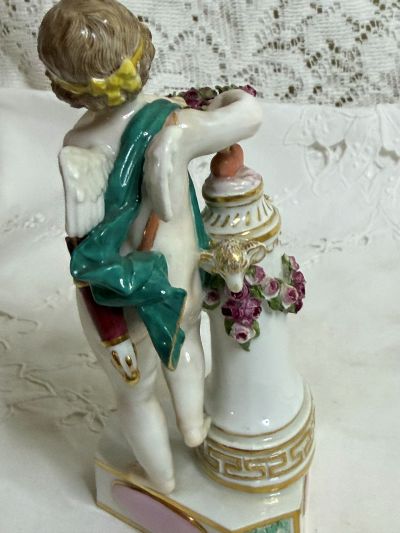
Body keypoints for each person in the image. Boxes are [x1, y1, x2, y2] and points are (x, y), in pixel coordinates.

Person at [38, 0, 262, 493]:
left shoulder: (78, 147)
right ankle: (194, 428)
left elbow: (82, 239)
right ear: (142, 53)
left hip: (119, 296)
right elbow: (249, 112)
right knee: (185, 344)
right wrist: (182, 135)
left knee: (134, 397)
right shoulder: (172, 120)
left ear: (65, 87)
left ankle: (160, 480)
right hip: (177, 275)